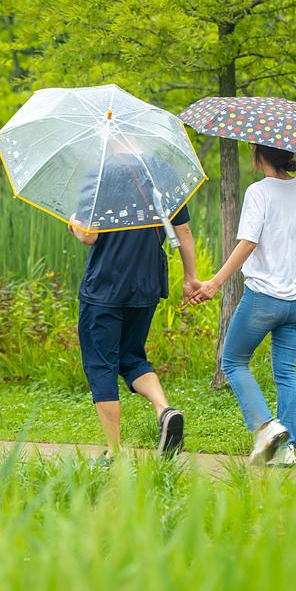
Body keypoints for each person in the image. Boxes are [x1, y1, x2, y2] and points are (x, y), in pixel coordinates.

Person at [192, 143, 296, 467]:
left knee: (233, 361)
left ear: (259, 153)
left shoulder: (258, 192)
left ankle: (267, 428)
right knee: (286, 373)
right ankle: (285, 451)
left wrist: (215, 283)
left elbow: (248, 242)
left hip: (265, 297)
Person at [70, 152, 200, 461]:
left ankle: (114, 452)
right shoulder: (160, 170)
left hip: (105, 286)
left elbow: (89, 236)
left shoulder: (101, 173)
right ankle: (164, 409)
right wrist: (191, 277)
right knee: (131, 357)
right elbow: (183, 231)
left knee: (101, 364)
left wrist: (74, 223)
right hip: (147, 284)